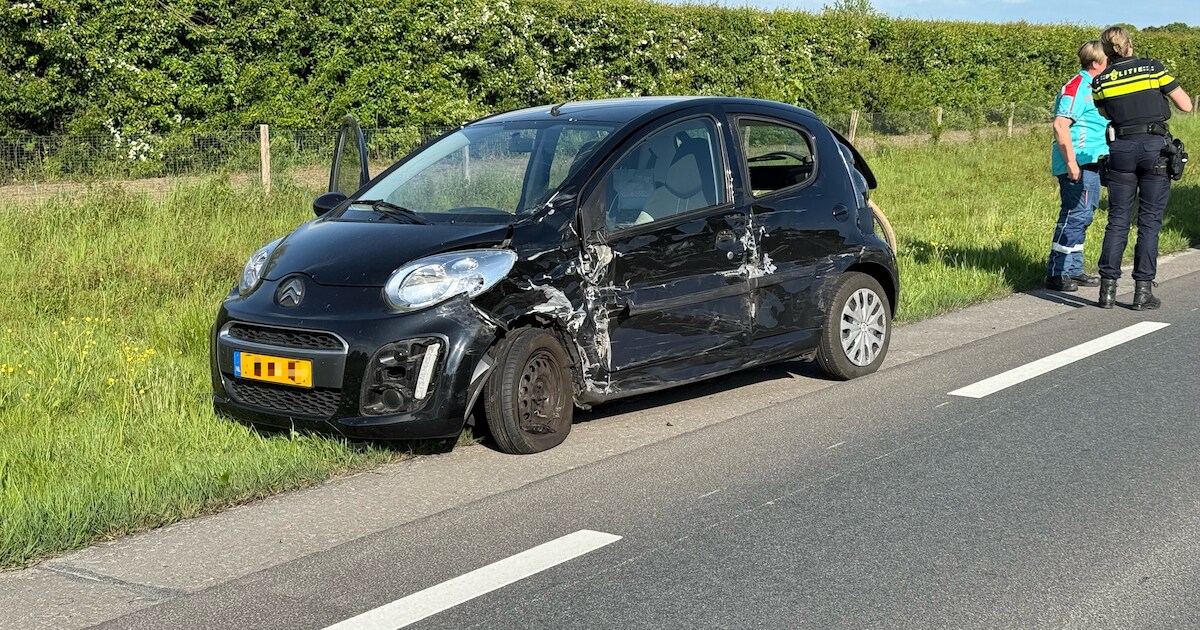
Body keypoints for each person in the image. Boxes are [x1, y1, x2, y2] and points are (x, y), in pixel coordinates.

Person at [1092, 26, 1193, 309]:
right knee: (1149, 222)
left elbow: (1106, 113)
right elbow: (1185, 104)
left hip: (1121, 150)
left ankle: (1107, 291)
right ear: (1130, 45)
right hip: (1154, 149)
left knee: (1118, 219)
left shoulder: (1100, 81)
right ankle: (1142, 292)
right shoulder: (1152, 68)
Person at [1046, 40, 1110, 292]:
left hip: (1093, 160)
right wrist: (1072, 163)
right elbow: (1060, 125)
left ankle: (1073, 269)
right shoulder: (1076, 86)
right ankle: (1057, 272)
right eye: (1107, 61)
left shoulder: (1095, 85)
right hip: (1077, 162)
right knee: (1074, 214)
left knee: (1084, 216)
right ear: (1096, 62)